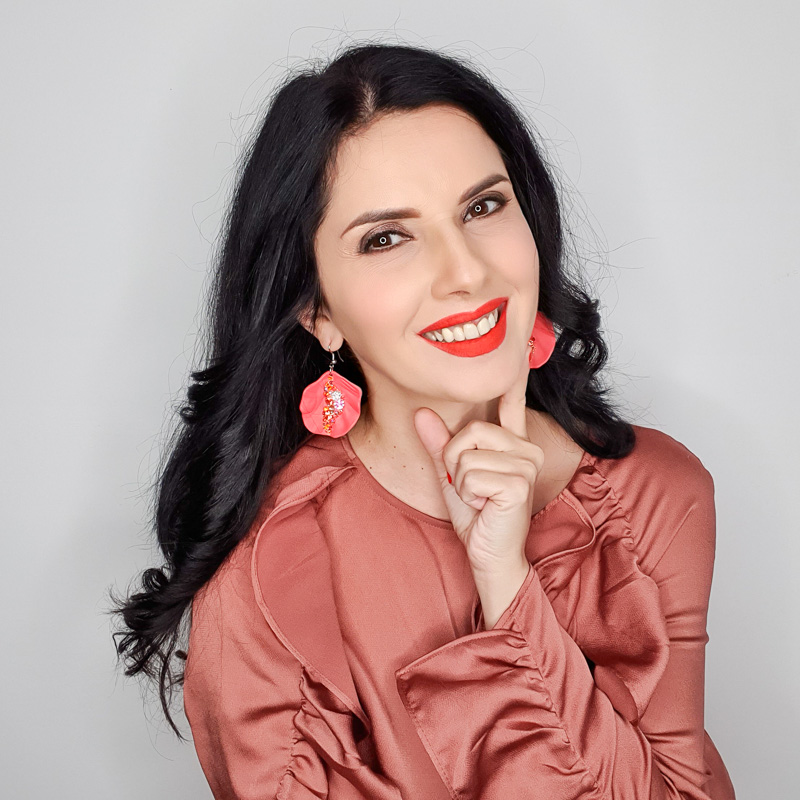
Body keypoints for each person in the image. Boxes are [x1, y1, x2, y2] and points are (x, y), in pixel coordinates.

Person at [110, 42, 736, 799]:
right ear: (318, 311)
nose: (466, 271)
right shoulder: (272, 568)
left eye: (483, 207)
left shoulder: (653, 496)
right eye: (386, 238)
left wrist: (508, 584)